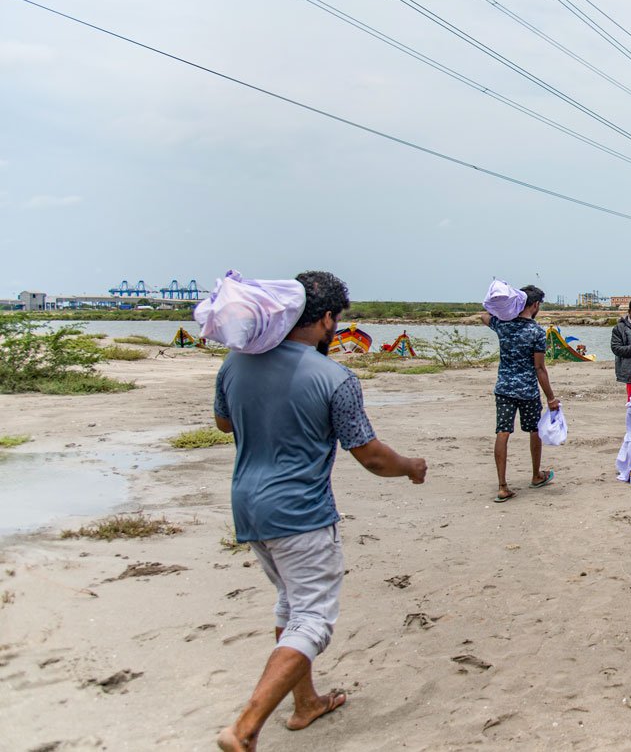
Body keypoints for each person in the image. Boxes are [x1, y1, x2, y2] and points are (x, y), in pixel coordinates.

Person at [213, 271, 427, 752]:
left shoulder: (235, 364)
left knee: (289, 605)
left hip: (248, 507)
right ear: (328, 319)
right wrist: (411, 467)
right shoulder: (333, 376)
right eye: (336, 321)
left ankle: (305, 703)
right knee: (312, 618)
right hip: (302, 513)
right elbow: (369, 455)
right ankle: (245, 727)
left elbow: (224, 423)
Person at [479, 284, 559, 503]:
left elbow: (484, 316)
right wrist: (551, 397)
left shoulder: (503, 325)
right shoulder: (535, 331)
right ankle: (535, 475)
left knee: (502, 433)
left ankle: (502, 486)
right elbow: (540, 368)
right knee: (534, 431)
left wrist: (504, 309)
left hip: (504, 388)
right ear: (535, 305)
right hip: (528, 390)